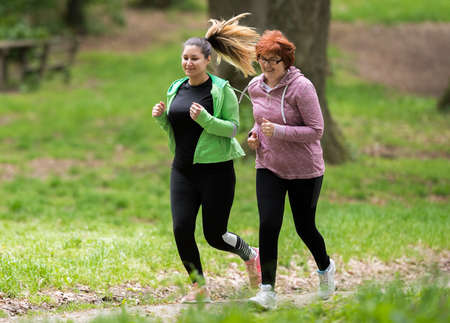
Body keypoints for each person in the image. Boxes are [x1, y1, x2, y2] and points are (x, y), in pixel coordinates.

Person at [152, 13, 261, 303]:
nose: (188, 63)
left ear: (208, 61)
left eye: (194, 59)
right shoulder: (176, 87)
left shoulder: (220, 90)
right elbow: (178, 129)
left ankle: (251, 255)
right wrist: (163, 118)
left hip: (216, 172)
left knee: (215, 235)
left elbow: (231, 129)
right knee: (180, 228)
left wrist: (207, 120)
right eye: (185, 58)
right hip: (183, 170)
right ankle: (199, 287)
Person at [246, 30, 336, 310]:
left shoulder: (302, 87)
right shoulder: (255, 87)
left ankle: (325, 268)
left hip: (304, 170)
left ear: (286, 61)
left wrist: (280, 131)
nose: (268, 64)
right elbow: (260, 122)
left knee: (305, 227)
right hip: (269, 165)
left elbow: (317, 131)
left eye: (274, 60)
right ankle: (267, 291)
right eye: (263, 58)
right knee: (269, 224)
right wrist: (254, 135)